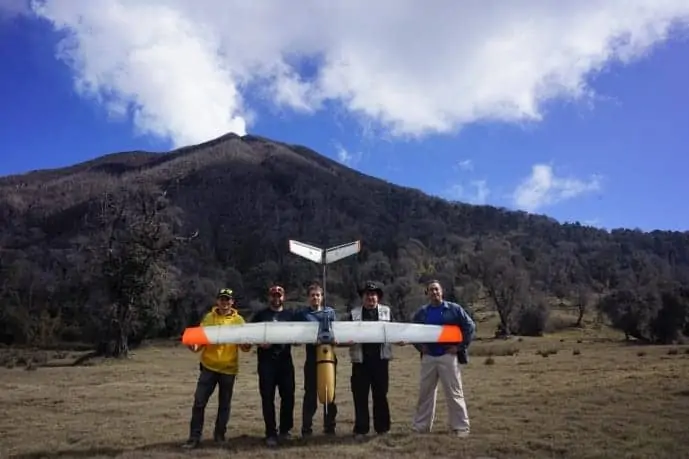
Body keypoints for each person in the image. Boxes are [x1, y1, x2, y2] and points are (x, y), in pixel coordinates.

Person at [182, 288, 250, 449]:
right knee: (199, 403)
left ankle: (219, 436)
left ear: (232, 302)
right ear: (217, 301)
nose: (224, 302)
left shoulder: (239, 321)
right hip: (208, 367)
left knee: (224, 405)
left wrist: (247, 343)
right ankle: (194, 438)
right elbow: (200, 340)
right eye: (222, 299)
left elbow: (245, 347)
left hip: (228, 369)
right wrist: (193, 346)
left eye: (227, 300)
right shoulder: (208, 318)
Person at [410, 279, 476, 437]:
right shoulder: (422, 312)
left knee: (454, 392)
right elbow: (412, 330)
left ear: (442, 291)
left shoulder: (454, 309)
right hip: (429, 357)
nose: (434, 292)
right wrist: (420, 347)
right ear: (427, 294)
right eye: (431, 290)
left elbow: (470, 326)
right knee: (425, 393)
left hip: (448, 356)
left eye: (436, 289)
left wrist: (459, 347)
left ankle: (460, 427)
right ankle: (421, 426)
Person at [342, 280, 402, 440]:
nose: (370, 297)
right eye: (367, 294)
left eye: (373, 295)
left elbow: (396, 331)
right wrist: (343, 341)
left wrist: (401, 339)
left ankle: (382, 428)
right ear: (362, 297)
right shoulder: (353, 314)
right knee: (360, 396)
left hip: (380, 361)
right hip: (360, 362)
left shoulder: (387, 312)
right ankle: (361, 430)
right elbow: (343, 336)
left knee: (381, 395)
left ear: (378, 297)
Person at [248, 284, 297, 447]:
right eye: (273, 295)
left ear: (284, 297)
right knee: (267, 398)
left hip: (285, 362)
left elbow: (298, 335)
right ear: (269, 297)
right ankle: (270, 433)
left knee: (288, 397)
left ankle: (285, 430)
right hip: (266, 363)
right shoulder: (261, 315)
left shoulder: (290, 315)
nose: (276, 298)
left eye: (279, 295)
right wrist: (259, 343)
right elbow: (250, 335)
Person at [294, 282, 338, 437]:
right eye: (312, 295)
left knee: (330, 391)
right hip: (312, 358)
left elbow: (336, 331)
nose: (315, 298)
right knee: (310, 394)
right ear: (308, 298)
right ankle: (307, 429)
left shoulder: (330, 312)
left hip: (329, 357)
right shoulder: (303, 314)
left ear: (322, 297)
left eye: (318, 295)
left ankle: (330, 427)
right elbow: (296, 335)